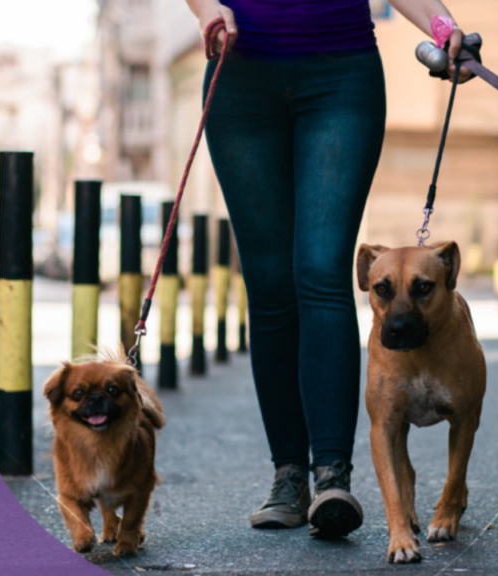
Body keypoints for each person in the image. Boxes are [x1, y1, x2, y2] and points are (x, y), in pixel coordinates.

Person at [183, 0, 472, 539]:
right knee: (270, 285)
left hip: (341, 75)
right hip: (241, 79)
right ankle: (289, 475)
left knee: (320, 271)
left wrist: (443, 27)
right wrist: (206, 11)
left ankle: (332, 477)